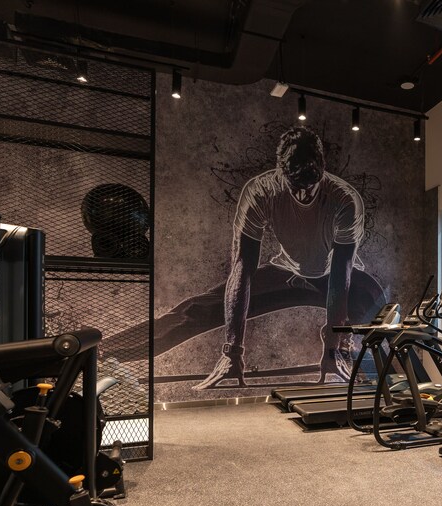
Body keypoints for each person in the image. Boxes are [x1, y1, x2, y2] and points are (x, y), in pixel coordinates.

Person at [105, 126, 385, 389]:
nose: (303, 195)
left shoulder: (344, 199)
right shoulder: (261, 191)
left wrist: (333, 347)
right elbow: (243, 268)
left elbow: (340, 274)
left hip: (335, 276)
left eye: (310, 187)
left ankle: (349, 349)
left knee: (378, 312)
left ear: (322, 170)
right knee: (195, 310)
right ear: (281, 173)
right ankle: (102, 350)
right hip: (287, 271)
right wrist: (232, 350)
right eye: (295, 187)